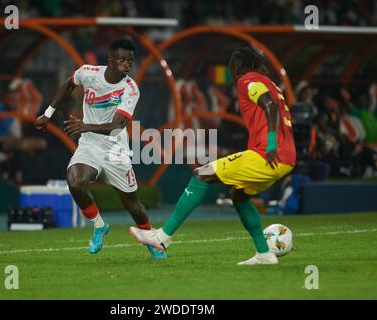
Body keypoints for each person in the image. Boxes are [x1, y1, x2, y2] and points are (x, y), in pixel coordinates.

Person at [130, 47, 296, 265]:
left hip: (267, 154)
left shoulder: (247, 80)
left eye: (232, 68)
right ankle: (264, 254)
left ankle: (162, 237)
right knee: (239, 195)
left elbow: (270, 106)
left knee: (201, 173)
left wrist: (272, 143)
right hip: (286, 158)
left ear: (238, 67)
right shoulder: (270, 83)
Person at [34, 37, 166, 259]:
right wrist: (47, 114)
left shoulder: (130, 89)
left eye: (130, 61)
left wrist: (85, 125)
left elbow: (117, 126)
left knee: (132, 204)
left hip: (116, 149)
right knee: (75, 180)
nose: (127, 64)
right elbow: (69, 83)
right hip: (90, 145)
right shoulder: (89, 72)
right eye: (122, 59)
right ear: (110, 59)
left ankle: (151, 240)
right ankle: (99, 226)